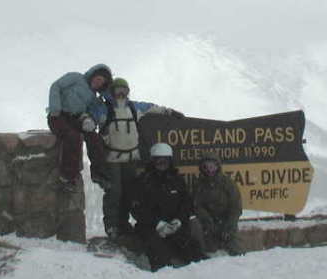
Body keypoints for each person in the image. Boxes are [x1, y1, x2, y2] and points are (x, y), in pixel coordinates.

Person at [88, 77, 185, 239]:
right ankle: (112, 226)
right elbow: (91, 117)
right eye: (118, 90)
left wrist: (169, 112)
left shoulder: (134, 107)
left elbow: (152, 108)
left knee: (129, 192)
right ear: (112, 92)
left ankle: (123, 225)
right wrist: (87, 121)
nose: (121, 93)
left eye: (124, 90)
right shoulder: (103, 108)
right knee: (114, 192)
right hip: (112, 158)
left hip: (131, 158)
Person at [132, 143, 207, 272]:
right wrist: (158, 224)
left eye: (165, 160)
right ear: (152, 161)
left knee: (194, 253)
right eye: (158, 160)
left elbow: (186, 203)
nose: (162, 163)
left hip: (175, 224)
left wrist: (179, 220)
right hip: (152, 228)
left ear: (170, 161)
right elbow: (138, 209)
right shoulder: (143, 181)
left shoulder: (177, 180)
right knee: (162, 260)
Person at [47, 64, 112, 191]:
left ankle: (99, 174)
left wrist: (89, 120)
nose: (98, 83)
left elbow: (93, 110)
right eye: (98, 79)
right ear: (93, 74)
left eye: (101, 83)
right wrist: (55, 108)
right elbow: (56, 86)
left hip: (75, 119)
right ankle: (67, 177)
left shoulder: (93, 96)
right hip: (58, 115)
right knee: (72, 136)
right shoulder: (76, 78)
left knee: (94, 137)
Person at [191, 152, 244, 256]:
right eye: (206, 167)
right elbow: (197, 206)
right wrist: (208, 222)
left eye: (212, 166)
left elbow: (236, 207)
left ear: (217, 166)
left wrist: (229, 226)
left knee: (237, 253)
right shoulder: (198, 185)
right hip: (207, 224)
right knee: (209, 253)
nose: (209, 170)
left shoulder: (228, 183)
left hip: (226, 221)